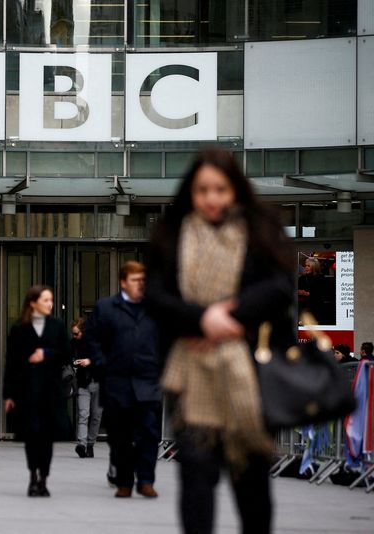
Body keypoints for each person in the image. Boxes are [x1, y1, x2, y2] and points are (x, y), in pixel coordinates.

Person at [146, 148, 294, 534]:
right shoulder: (172, 234)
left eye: (220, 189)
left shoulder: (259, 230)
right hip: (191, 378)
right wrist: (200, 319)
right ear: (190, 192)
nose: (212, 198)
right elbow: (157, 296)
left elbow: (280, 288)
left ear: (236, 190)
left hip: (251, 376)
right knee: (196, 482)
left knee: (252, 487)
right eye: (202, 190)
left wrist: (231, 315)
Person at [84, 261, 162, 498]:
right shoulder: (106, 307)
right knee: (120, 436)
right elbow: (92, 339)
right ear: (123, 282)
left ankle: (146, 480)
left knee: (149, 433)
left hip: (148, 383)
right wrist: (101, 366)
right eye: (135, 280)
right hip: (117, 383)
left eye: (143, 280)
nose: (141, 285)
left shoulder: (155, 308)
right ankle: (125, 481)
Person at [4, 285, 71, 497]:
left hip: (50, 389)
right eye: (45, 300)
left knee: (47, 437)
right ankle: (33, 476)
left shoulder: (57, 326)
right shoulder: (19, 328)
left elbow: (66, 353)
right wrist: (8, 394)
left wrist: (46, 353)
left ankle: (44, 478)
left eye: (51, 300)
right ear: (33, 303)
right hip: (27, 390)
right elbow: (11, 363)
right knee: (32, 435)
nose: (49, 304)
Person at [71, 318, 102, 459]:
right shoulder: (73, 344)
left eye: (76, 333)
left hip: (98, 381)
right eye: (73, 333)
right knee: (83, 414)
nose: (74, 336)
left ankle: (90, 444)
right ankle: (81, 445)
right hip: (82, 382)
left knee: (96, 416)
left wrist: (89, 361)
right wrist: (74, 362)